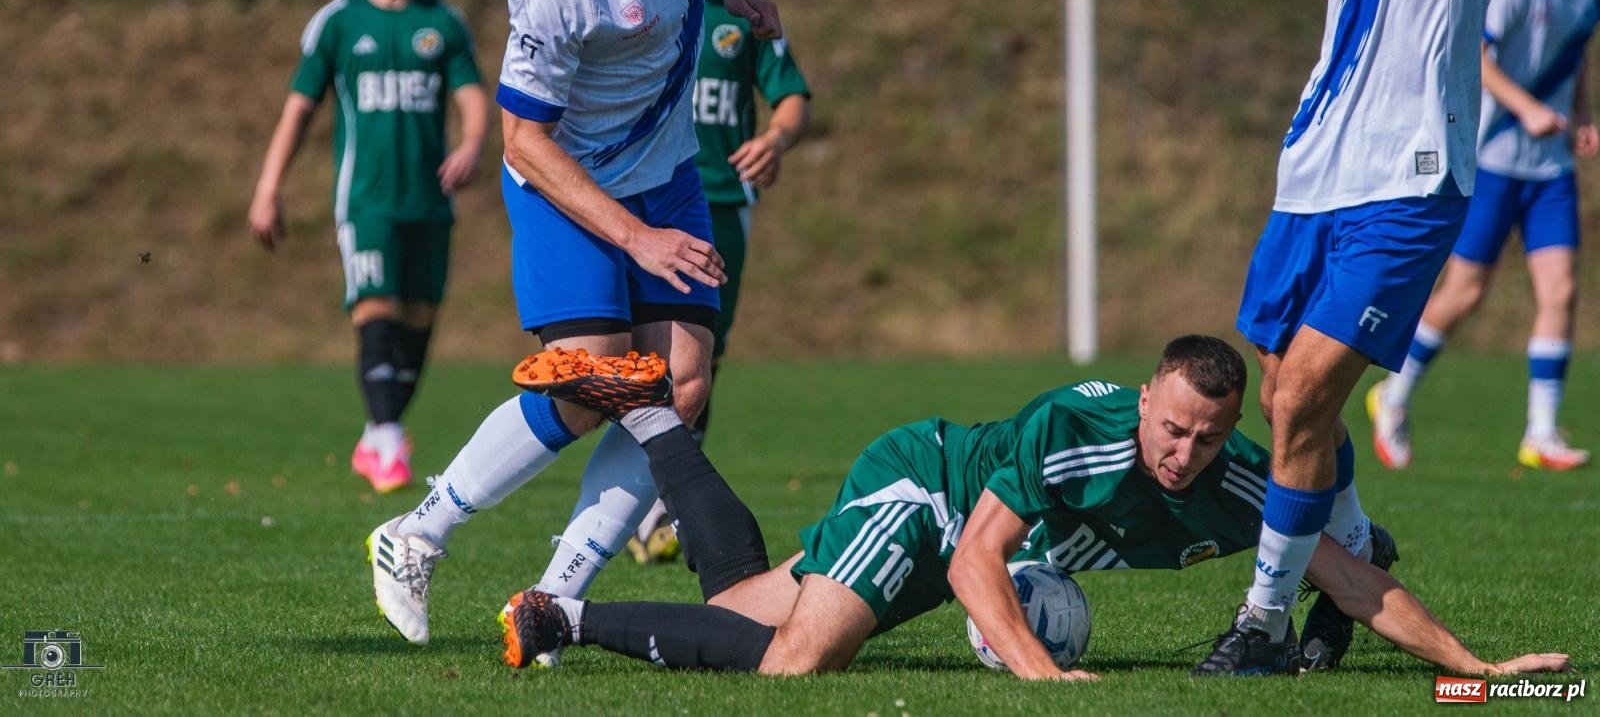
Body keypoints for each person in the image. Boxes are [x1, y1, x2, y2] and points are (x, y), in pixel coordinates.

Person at [496, 336, 1570, 681]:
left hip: (963, 534)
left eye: (1205, 435)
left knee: (739, 600)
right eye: (1170, 427)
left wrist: (1471, 665)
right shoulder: (1077, 425)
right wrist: (1043, 674)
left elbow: (1351, 573)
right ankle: (563, 615)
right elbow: (975, 563)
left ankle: (648, 414)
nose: (1182, 452)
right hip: (928, 490)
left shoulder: (1238, 479)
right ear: (1145, 398)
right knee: (793, 660)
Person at [366, 0, 783, 647]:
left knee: (684, 387)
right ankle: (416, 531)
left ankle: (554, 600)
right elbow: (525, 136)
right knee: (594, 380)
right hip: (568, 178)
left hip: (664, 172)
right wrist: (634, 237)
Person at [1204, 0, 1505, 675]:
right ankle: (1359, 544)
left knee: (1299, 406)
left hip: (1407, 174)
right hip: (1316, 172)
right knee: (1286, 388)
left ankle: (1262, 617)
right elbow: (1351, 7)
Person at [248, 0, 487, 494]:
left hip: (430, 201)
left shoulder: (442, 22)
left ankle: (380, 432)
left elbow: (473, 98)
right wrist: (268, 188)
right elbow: (298, 110)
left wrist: (472, 144)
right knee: (374, 307)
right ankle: (384, 436)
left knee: (419, 321)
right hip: (366, 200)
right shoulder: (338, 22)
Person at [1370, 0, 1598, 473]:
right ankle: (1392, 396)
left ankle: (1541, 432)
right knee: (1464, 294)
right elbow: (1476, 52)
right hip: (1495, 159)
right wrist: (1524, 109)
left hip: (1549, 170)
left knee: (1562, 292)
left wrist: (1582, 116)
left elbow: (1574, 59)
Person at [629, 0, 813, 564]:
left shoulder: (740, 12)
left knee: (702, 354)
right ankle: (641, 489)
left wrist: (776, 139)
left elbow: (791, 97)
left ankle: (667, 492)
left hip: (720, 204)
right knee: (635, 346)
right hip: (641, 197)